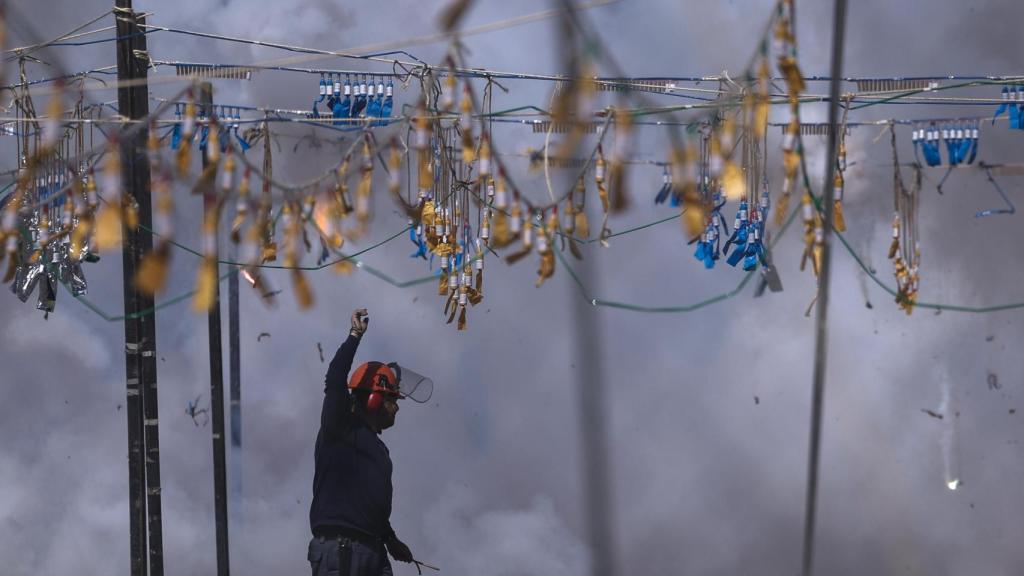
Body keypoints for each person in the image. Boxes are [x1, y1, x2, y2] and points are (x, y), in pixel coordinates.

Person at [308, 308, 415, 576]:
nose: (396, 409)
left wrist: (390, 539)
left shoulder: (377, 449)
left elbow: (366, 503)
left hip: (371, 550)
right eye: (392, 400)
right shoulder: (339, 427)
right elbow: (334, 381)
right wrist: (354, 336)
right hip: (343, 552)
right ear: (374, 399)